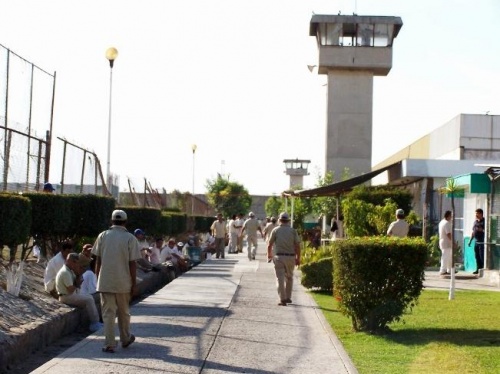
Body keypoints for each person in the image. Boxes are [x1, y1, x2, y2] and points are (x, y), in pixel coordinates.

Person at [92, 209, 141, 353]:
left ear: (111, 221)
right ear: (125, 222)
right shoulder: (130, 238)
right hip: (123, 282)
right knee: (124, 312)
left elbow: (98, 260)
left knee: (108, 313)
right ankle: (125, 338)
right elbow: (133, 263)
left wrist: (98, 277)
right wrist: (134, 283)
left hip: (106, 281)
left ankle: (109, 344)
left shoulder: (103, 236)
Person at [55, 252, 102, 332]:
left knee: (91, 297)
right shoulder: (65, 272)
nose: (76, 265)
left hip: (71, 294)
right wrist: (77, 283)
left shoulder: (70, 271)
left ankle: (96, 321)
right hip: (66, 297)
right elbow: (70, 289)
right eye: (75, 262)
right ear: (70, 261)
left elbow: (77, 284)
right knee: (89, 299)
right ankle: (95, 323)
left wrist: (78, 275)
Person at [267, 212, 300, 306]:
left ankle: (283, 299)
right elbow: (297, 245)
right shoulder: (293, 231)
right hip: (291, 257)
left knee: (280, 279)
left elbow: (270, 244)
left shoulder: (276, 230)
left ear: (279, 220)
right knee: (289, 277)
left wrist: (269, 255)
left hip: (279, 257)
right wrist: (298, 258)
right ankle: (288, 297)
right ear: (288, 221)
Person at [468, 208, 485, 275]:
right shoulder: (475, 222)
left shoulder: (484, 222)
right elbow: (473, 232)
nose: (476, 215)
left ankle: (483, 269)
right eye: (475, 214)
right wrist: (470, 241)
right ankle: (478, 269)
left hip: (482, 242)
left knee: (482, 256)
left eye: (477, 214)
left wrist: (482, 230)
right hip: (476, 242)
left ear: (481, 214)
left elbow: (487, 231)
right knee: (477, 256)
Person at [438, 210, 454, 276]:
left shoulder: (442, 222)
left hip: (443, 241)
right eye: (451, 216)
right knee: (445, 256)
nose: (452, 217)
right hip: (446, 242)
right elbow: (448, 234)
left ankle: (449, 269)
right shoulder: (446, 223)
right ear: (448, 216)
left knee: (449, 256)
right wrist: (453, 241)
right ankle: (443, 270)